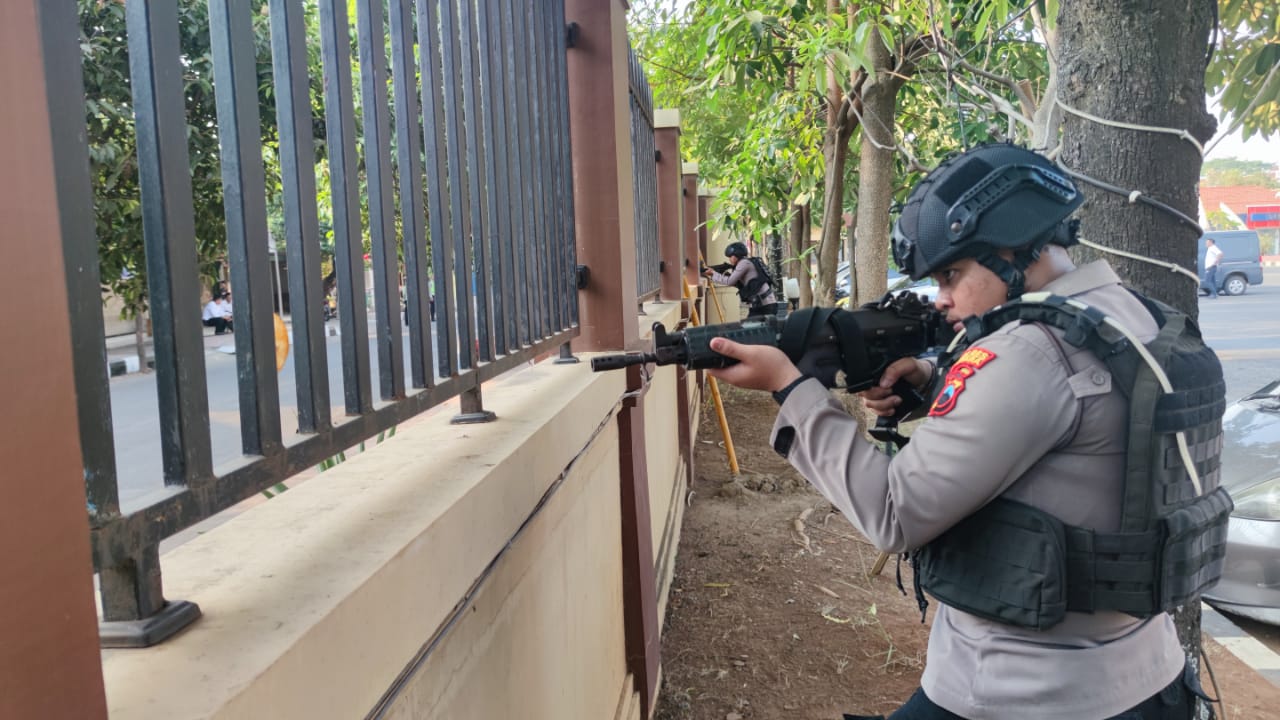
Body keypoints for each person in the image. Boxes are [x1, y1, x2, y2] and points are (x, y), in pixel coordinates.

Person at [705, 144, 1222, 720]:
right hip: (1148, 679)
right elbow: (1079, 437)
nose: (943, 297)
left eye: (952, 273)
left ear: (1012, 250)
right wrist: (931, 382)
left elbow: (894, 513)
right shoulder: (1137, 318)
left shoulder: (1027, 354)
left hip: (1017, 692)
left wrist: (791, 389)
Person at [703, 241, 778, 317]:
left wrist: (713, 274)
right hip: (763, 305)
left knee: (750, 326)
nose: (729, 259)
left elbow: (730, 282)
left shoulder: (744, 263)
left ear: (737, 256)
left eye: (731, 256)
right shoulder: (746, 262)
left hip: (764, 306)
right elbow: (738, 283)